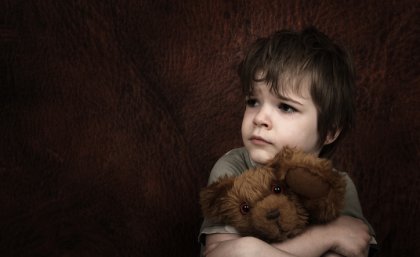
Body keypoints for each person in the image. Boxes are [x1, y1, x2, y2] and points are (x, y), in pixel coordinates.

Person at [198, 27, 378, 257]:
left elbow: (352, 245)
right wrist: (325, 237)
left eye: (285, 107)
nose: (260, 118)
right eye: (253, 101)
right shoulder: (232, 169)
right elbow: (219, 254)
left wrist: (252, 251)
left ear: (329, 132)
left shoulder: (337, 187)